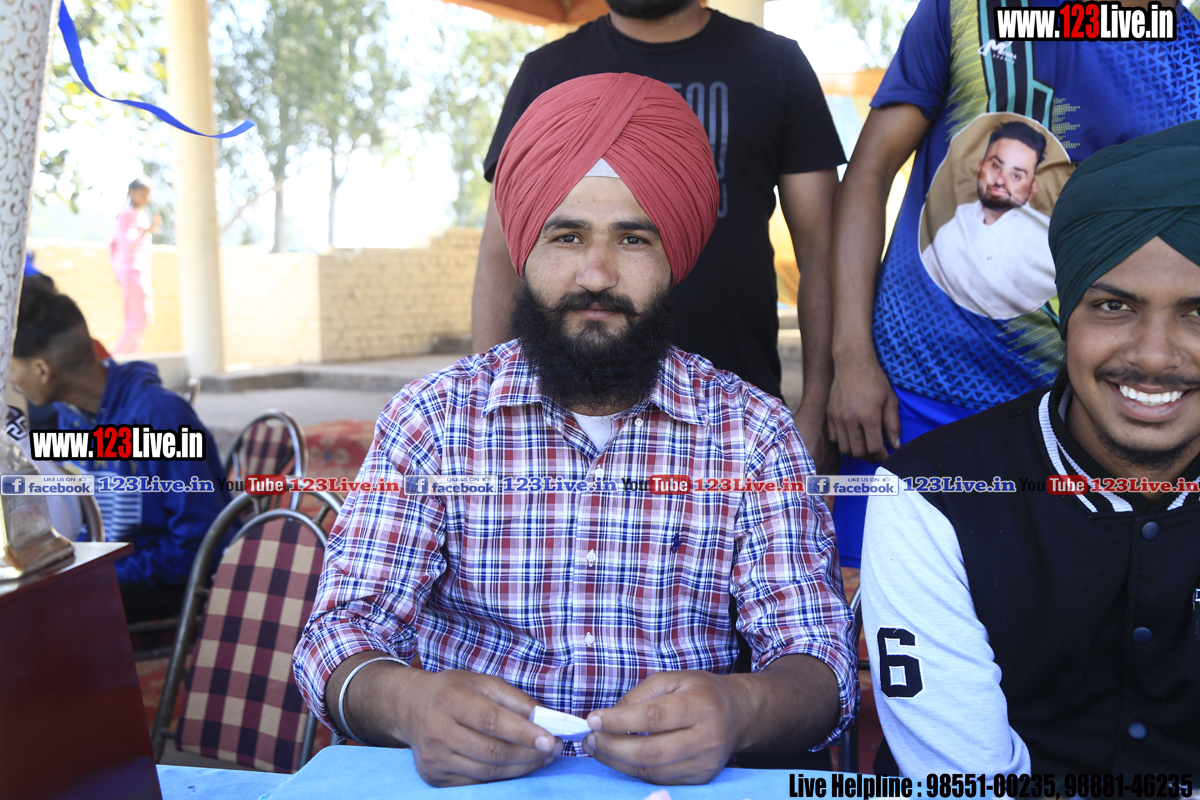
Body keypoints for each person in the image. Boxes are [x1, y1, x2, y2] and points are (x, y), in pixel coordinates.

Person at [294, 73, 856, 788]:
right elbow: (335, 638)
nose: (596, 273)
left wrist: (739, 710)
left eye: (633, 238)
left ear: (674, 256)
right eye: (566, 236)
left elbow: (821, 663)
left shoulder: (753, 434)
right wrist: (411, 705)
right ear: (524, 249)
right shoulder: (433, 419)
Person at [861, 122, 1200, 774]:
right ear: (1065, 316)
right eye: (1114, 306)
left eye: (1198, 312)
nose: (1155, 355)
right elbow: (967, 782)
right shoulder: (932, 497)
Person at [827, 0, 1200, 570]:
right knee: (862, 604)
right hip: (905, 396)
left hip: (1073, 420)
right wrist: (851, 357)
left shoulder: (1185, 58)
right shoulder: (961, 9)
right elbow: (870, 169)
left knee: (1039, 614)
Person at [472, 0, 845, 472]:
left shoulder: (775, 64)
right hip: (554, 413)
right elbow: (501, 249)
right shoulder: (548, 69)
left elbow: (821, 245)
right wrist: (482, 409)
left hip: (731, 422)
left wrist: (817, 404)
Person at [10, 279, 230, 623]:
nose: (9, 380)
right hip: (112, 568)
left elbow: (200, 546)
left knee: (26, 616)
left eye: (10, 366)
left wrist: (93, 573)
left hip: (169, 585)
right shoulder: (70, 418)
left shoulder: (158, 417)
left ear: (42, 370)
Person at [921, 121, 1055, 320]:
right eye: (996, 166)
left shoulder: (1045, 243)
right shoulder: (957, 222)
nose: (1000, 180)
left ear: (1032, 188)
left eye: (1016, 176)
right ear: (980, 166)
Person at [109, 177, 160, 354]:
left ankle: (129, 361)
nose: (146, 198)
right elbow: (126, 241)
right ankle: (114, 362)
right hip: (132, 270)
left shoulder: (136, 213)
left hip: (135, 270)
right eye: (142, 194)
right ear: (132, 192)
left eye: (147, 194)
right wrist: (146, 230)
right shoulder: (128, 213)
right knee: (139, 321)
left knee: (138, 323)